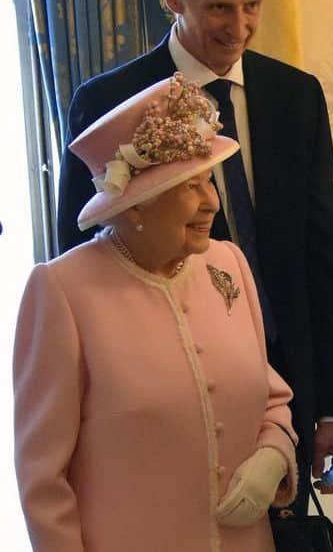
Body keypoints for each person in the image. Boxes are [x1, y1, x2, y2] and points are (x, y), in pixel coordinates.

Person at [54, 0, 333, 507]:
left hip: (285, 383)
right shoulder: (108, 102)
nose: (239, 27)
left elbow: (321, 255)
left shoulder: (296, 96)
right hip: (155, 393)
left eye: (253, 6)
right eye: (219, 7)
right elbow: (78, 259)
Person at [15, 74, 298, 551]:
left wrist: (274, 453)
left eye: (209, 181)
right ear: (132, 207)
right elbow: (43, 482)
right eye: (190, 187)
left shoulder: (227, 264)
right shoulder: (63, 291)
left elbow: (272, 400)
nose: (212, 202)